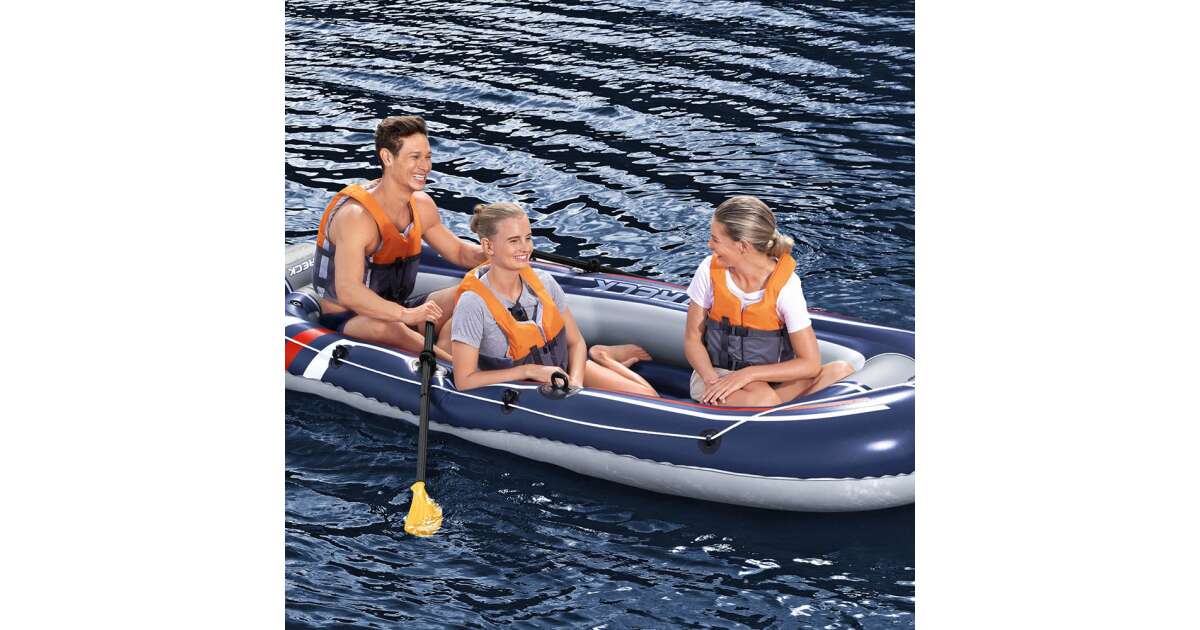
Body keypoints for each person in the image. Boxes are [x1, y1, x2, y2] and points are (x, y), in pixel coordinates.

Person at [311, 115, 487, 360]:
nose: (425, 166)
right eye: (415, 157)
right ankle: (455, 368)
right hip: (350, 318)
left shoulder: (422, 205)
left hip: (399, 308)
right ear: (387, 157)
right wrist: (407, 316)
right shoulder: (357, 218)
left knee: (472, 293)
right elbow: (349, 291)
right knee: (389, 328)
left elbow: (459, 253)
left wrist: (500, 254)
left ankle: (448, 350)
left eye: (427, 157)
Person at [450, 202, 657, 396]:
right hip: (524, 395)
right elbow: (464, 380)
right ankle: (603, 359)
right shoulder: (473, 304)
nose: (525, 248)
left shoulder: (544, 282)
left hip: (566, 374)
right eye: (514, 241)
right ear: (488, 246)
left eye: (528, 238)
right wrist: (528, 371)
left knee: (649, 396)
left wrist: (575, 383)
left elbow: (576, 343)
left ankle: (601, 356)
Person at [684, 195, 855, 407]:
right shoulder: (708, 270)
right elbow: (692, 340)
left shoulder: (786, 286)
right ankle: (779, 413)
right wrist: (712, 381)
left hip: (768, 377)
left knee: (840, 372)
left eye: (715, 240)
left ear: (742, 246)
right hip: (716, 374)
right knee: (762, 397)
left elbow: (810, 364)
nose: (710, 245)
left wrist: (749, 374)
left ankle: (773, 411)